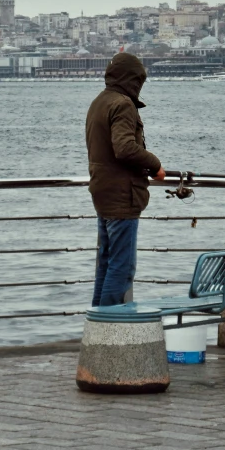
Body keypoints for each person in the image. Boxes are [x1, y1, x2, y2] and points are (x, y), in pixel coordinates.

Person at [86, 52, 165, 307]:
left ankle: (97, 325)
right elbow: (125, 148)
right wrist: (155, 165)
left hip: (102, 190)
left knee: (106, 263)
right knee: (122, 267)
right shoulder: (123, 104)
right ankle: (110, 328)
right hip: (122, 195)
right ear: (133, 79)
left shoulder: (100, 101)